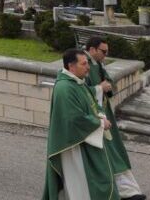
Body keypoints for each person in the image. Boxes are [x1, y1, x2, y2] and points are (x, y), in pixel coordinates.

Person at [43, 49, 118, 200]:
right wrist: (100, 123)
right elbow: (74, 119)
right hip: (72, 145)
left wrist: (101, 115)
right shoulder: (65, 88)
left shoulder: (78, 82)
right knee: (79, 184)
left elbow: (91, 104)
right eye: (84, 64)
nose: (88, 67)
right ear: (71, 66)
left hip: (83, 139)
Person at [83, 37, 146, 200]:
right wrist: (99, 88)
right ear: (92, 50)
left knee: (114, 151)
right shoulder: (85, 64)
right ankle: (123, 191)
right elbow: (78, 92)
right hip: (94, 116)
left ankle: (127, 190)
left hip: (104, 113)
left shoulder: (98, 64)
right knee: (107, 153)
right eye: (103, 51)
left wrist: (107, 86)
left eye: (107, 51)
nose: (106, 54)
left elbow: (107, 80)